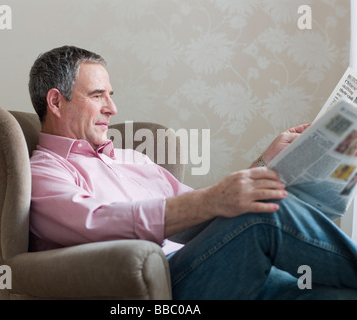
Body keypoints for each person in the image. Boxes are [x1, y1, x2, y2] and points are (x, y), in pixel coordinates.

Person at [28, 45, 357, 300]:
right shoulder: (45, 172)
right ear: (56, 102)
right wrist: (217, 199)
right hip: (169, 288)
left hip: (221, 269)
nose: (112, 109)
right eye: (98, 95)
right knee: (264, 214)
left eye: (111, 96)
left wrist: (265, 163)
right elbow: (98, 223)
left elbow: (208, 215)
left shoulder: (133, 160)